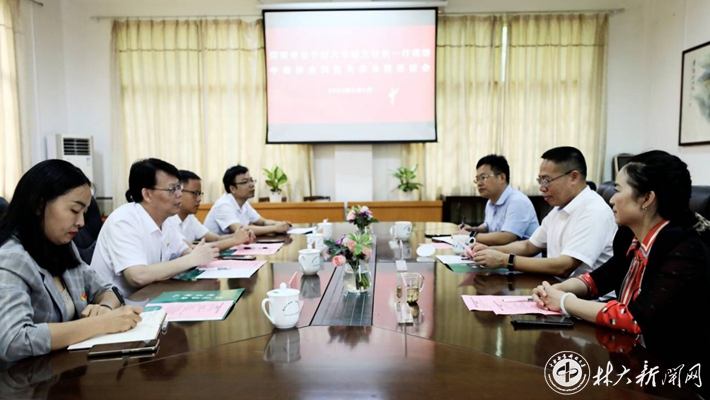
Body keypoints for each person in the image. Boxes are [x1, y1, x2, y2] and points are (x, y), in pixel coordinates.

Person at [532, 151, 710, 376]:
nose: (611, 199)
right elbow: (598, 279)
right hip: (628, 359)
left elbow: (636, 318)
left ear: (646, 198)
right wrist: (556, 289)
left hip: (673, 373)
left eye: (617, 190)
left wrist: (564, 302)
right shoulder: (629, 236)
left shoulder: (685, 250)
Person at [0, 160, 143, 363]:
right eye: (75, 211)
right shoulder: (12, 259)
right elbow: (13, 340)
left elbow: (109, 289)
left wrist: (106, 308)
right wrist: (102, 323)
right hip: (27, 378)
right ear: (39, 204)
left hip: (68, 367)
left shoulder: (63, 247)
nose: (81, 223)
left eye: (84, 213)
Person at [467, 147, 617, 281]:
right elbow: (529, 246)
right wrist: (488, 250)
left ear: (573, 177)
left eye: (546, 180)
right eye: (540, 180)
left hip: (586, 300)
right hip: (556, 288)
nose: (541, 188)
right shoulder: (559, 208)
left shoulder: (594, 212)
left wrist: (504, 260)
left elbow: (564, 266)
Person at [91, 159, 218, 296]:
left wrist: (197, 255)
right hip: (117, 304)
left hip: (152, 296)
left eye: (179, 187)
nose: (179, 194)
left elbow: (185, 252)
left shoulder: (167, 219)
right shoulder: (124, 220)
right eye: (172, 189)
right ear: (147, 194)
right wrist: (192, 259)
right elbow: (137, 276)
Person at [459, 155, 539, 245]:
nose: (479, 183)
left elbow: (507, 237)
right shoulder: (490, 201)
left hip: (521, 254)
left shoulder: (518, 201)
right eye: (477, 179)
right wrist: (473, 229)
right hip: (498, 251)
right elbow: (488, 227)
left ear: (502, 177)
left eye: (484, 177)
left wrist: (471, 235)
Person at [168, 170, 254, 251]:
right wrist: (234, 240)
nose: (199, 199)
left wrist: (241, 235)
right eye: (195, 193)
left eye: (199, 194)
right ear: (178, 192)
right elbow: (192, 249)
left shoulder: (189, 218)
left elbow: (216, 238)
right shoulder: (169, 220)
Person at [203, 165, 291, 236]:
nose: (251, 185)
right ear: (233, 188)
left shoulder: (243, 203)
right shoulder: (223, 205)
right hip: (215, 249)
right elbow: (241, 231)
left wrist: (281, 224)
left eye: (251, 180)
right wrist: (275, 228)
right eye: (245, 182)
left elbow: (263, 222)